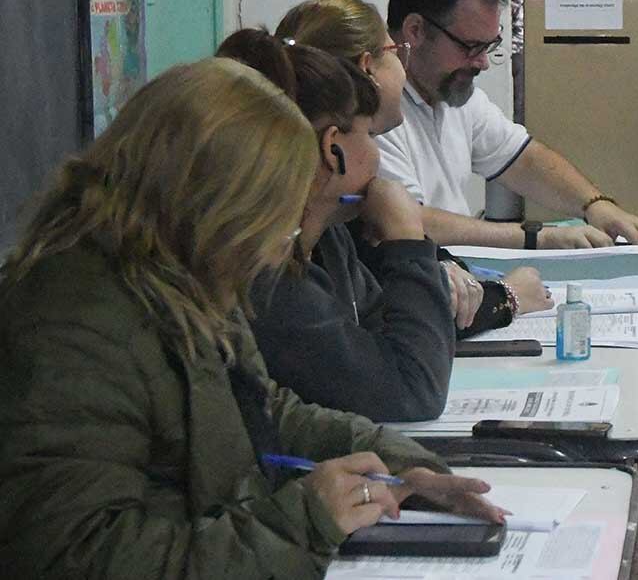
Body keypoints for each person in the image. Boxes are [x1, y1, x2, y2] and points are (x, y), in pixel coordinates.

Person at [0, 58, 503, 577]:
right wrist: (304, 521)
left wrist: (398, 462)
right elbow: (74, 558)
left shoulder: (180, 272)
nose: (275, 248)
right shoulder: (72, 329)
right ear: (213, 204)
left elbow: (262, 411)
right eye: (271, 217)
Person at [216, 29, 548, 423]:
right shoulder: (273, 283)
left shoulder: (331, 239)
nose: (377, 155)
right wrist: (406, 240)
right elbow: (414, 391)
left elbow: (391, 332)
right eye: (370, 135)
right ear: (333, 148)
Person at [274, 0, 552, 329]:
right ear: (368, 70)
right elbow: (401, 344)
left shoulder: (332, 232)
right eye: (395, 52)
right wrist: (505, 296)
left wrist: (440, 268)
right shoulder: (319, 232)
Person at [379, 0, 638, 250]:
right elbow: (407, 222)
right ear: (415, 31)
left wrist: (596, 205)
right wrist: (536, 237)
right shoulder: (376, 113)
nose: (482, 63)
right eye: (470, 47)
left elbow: (522, 159)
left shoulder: (451, 94)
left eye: (489, 46)